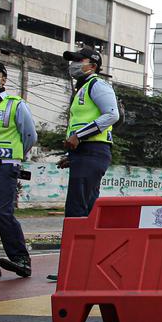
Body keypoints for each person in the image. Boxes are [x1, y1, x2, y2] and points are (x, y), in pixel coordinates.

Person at [0, 57, 36, 279]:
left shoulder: (15, 104)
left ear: (3, 78)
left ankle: (20, 259)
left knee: (3, 213)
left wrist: (14, 157)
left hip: (3, 167)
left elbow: (29, 136)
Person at [61, 46, 118, 218]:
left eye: (79, 61)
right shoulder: (82, 88)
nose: (73, 64)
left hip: (93, 151)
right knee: (87, 208)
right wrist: (71, 153)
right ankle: (91, 244)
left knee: (77, 208)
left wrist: (78, 136)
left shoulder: (97, 85)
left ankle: (76, 245)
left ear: (92, 66)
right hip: (84, 152)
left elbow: (112, 114)